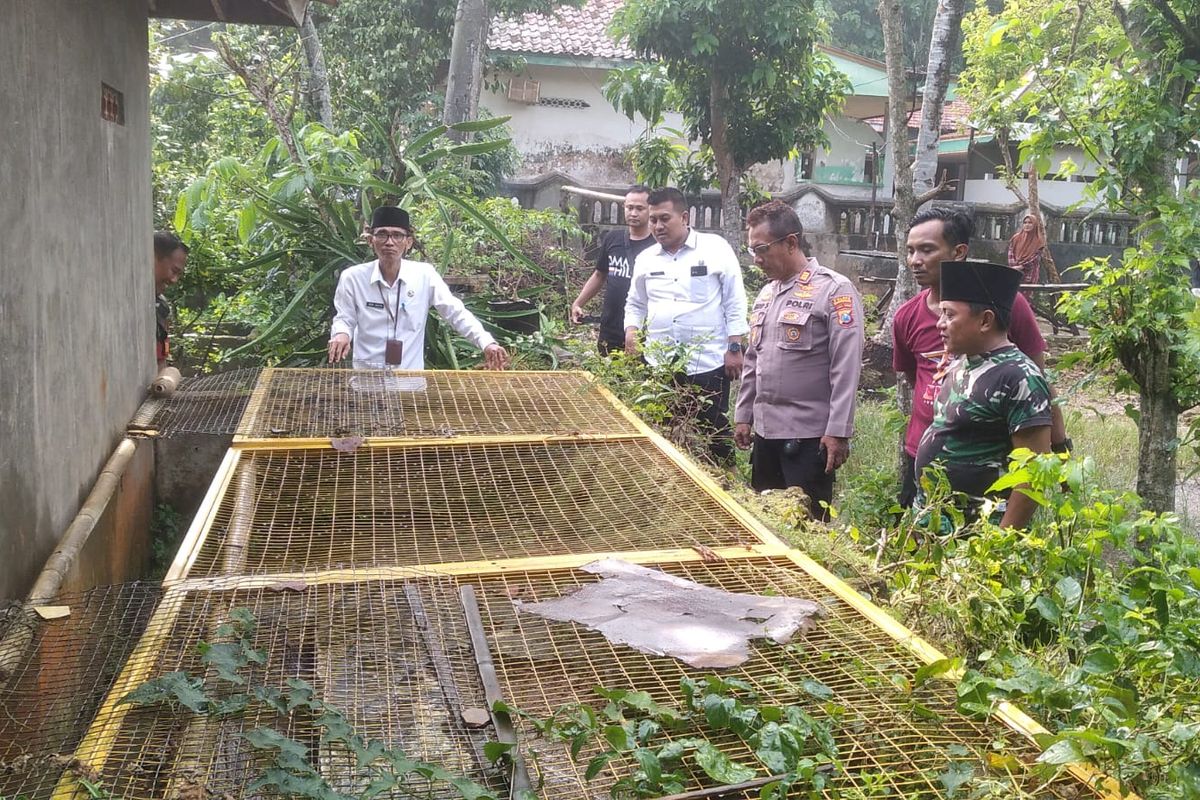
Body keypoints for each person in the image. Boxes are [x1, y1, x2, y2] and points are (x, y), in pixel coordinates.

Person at [892, 206, 1068, 508]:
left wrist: (1060, 446)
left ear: (959, 251)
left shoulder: (1007, 305)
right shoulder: (906, 316)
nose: (915, 261)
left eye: (926, 250)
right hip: (924, 453)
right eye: (910, 251)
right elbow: (915, 378)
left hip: (988, 462)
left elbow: (1039, 382)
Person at [733, 201, 864, 521]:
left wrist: (838, 431)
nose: (757, 259)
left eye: (762, 249)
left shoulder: (834, 290)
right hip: (765, 435)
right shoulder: (766, 294)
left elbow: (846, 367)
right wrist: (743, 414)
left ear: (791, 242)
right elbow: (753, 358)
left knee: (807, 528)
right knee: (764, 522)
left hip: (808, 439)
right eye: (752, 251)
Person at [914, 259, 1052, 528]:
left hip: (978, 535)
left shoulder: (1020, 377)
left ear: (986, 320)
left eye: (950, 315)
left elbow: (1031, 477)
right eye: (941, 313)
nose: (940, 324)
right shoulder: (961, 362)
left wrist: (1000, 549)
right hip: (935, 527)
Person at [624, 187, 749, 462]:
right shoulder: (645, 260)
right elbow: (635, 303)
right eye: (654, 219)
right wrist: (631, 331)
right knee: (663, 435)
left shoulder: (715, 249)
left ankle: (724, 485)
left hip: (708, 364)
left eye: (664, 218)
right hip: (660, 364)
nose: (657, 226)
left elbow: (735, 301)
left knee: (714, 434)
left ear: (684, 217)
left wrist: (735, 346)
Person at [328, 206, 509, 369]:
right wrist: (341, 334)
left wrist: (487, 343)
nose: (389, 242)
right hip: (366, 382)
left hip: (409, 383)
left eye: (397, 235)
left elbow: (455, 312)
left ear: (408, 242)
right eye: (382, 234)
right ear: (370, 240)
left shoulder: (424, 275)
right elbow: (345, 317)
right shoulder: (353, 277)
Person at [570, 185, 654, 353]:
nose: (633, 213)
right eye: (630, 207)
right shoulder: (612, 239)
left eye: (640, 208)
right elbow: (599, 274)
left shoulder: (658, 245)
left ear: (650, 210)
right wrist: (578, 303)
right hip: (610, 325)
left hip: (643, 328)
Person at [154, 231, 188, 367]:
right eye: (174, 271)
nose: (174, 280)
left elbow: (161, 356)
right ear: (153, 257)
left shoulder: (161, 306)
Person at [1007, 212, 1048, 286]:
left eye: (1030, 223)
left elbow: (1034, 260)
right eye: (1025, 222)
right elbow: (1011, 253)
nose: (1027, 225)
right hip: (1014, 273)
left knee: (1026, 296)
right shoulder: (1016, 238)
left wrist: (1021, 267)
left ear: (1035, 225)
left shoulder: (1039, 241)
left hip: (1029, 277)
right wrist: (1014, 267)